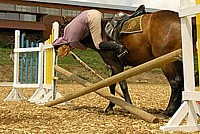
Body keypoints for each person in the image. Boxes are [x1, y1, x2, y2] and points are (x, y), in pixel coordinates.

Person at [52, 9, 128, 58]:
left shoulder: (72, 42)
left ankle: (119, 48)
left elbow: (84, 48)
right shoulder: (66, 32)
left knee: (98, 44)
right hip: (92, 13)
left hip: (91, 18)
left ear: (63, 47)